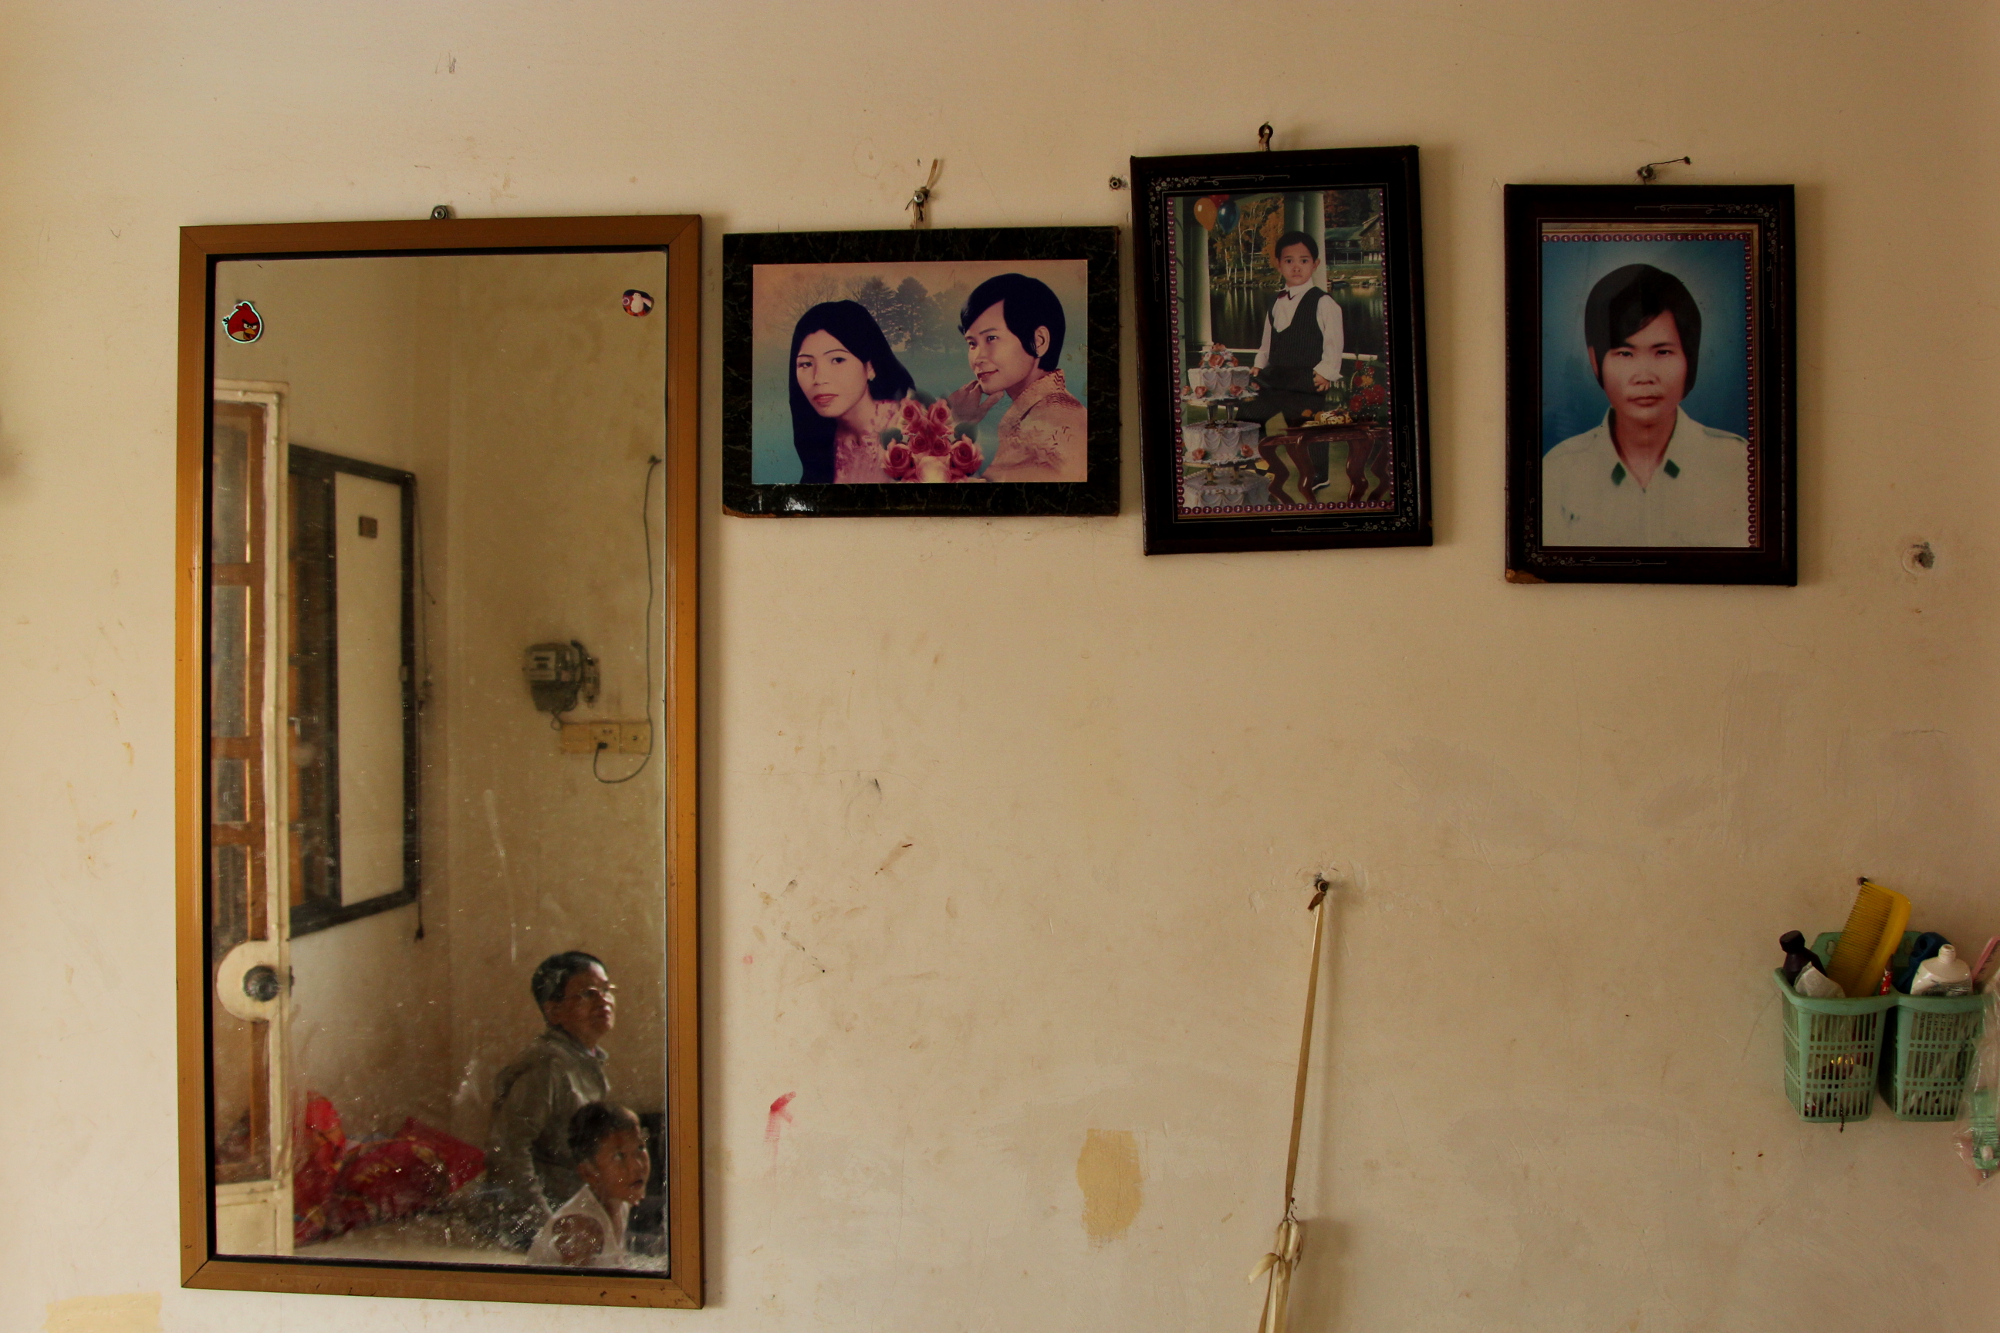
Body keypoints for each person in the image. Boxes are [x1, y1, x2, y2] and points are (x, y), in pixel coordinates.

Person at [1541, 263, 1750, 547]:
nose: (1644, 376)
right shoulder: (1558, 471)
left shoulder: (1738, 464)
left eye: (1663, 352)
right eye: (1625, 354)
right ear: (1595, 362)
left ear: (1690, 359)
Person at [484, 951, 618, 1248]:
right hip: (543, 1213)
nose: (604, 1001)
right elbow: (508, 1151)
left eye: (607, 990)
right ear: (554, 1011)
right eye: (588, 994)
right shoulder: (548, 1066)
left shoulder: (585, 1060)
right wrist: (549, 1229)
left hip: (578, 1200)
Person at [944, 273, 1087, 482]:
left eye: (991, 338)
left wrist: (952, 424)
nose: (977, 358)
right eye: (972, 344)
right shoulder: (1044, 410)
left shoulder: (1050, 424)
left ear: (1038, 341)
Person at [789, 300, 917, 483]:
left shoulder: (910, 430)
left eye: (837, 360)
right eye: (806, 364)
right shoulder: (824, 440)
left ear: (870, 367)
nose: (818, 378)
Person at [1238, 231, 1345, 431]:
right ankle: (1251, 449)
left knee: (1307, 433)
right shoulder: (1275, 302)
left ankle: (1311, 452)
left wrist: (1325, 373)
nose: (1296, 267)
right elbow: (1267, 342)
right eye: (1289, 261)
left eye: (1304, 261)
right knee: (1247, 415)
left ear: (1315, 264)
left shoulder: (1323, 302)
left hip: (1305, 382)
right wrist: (1260, 364)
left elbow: (1334, 343)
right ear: (1279, 264)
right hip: (1275, 379)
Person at [526, 1101, 650, 1268]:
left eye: (640, 1148)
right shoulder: (581, 1228)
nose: (637, 1165)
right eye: (619, 1156)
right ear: (588, 1173)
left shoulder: (618, 1201)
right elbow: (580, 1285)